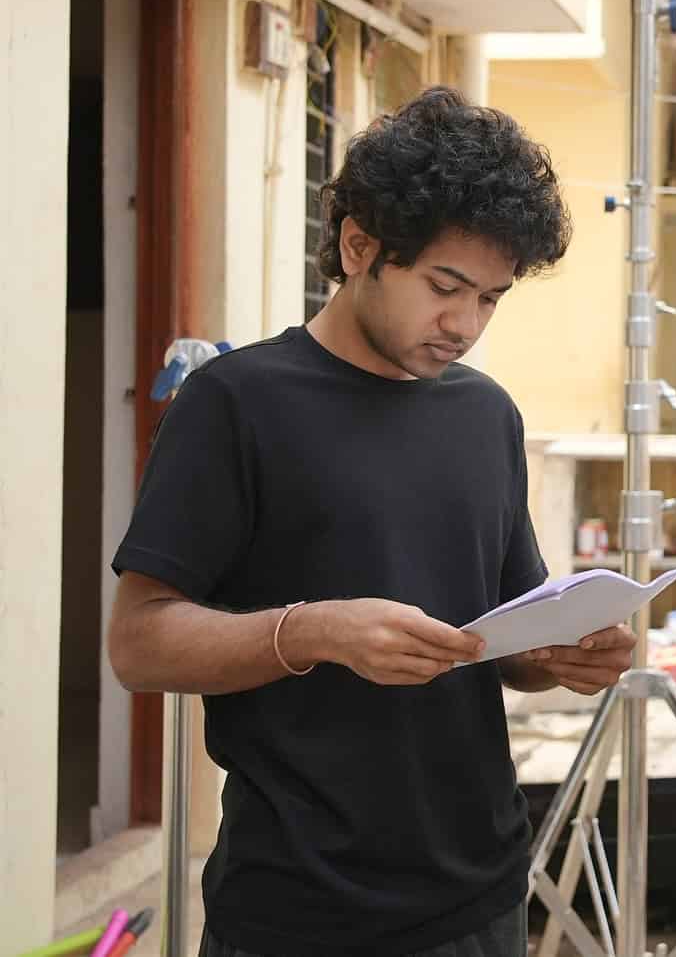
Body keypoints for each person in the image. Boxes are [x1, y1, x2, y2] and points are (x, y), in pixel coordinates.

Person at [107, 87, 637, 957]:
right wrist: (313, 630)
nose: (464, 324)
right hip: (299, 911)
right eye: (444, 286)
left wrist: (559, 653)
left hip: (482, 897)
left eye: (491, 297)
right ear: (359, 246)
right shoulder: (236, 403)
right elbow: (138, 643)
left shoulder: (487, 416)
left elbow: (504, 639)